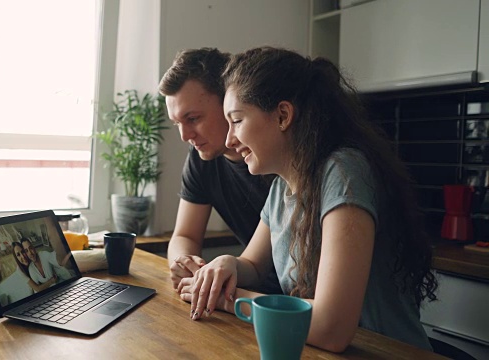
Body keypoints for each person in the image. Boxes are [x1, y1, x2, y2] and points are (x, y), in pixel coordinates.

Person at [178, 46, 438, 352]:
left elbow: (332, 327)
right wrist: (226, 264)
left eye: (236, 121)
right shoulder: (281, 187)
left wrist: (229, 299)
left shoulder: (343, 173)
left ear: (283, 115)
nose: (229, 140)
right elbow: (254, 265)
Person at [158, 47, 279, 293]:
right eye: (177, 124)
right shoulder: (201, 159)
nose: (185, 136)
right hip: (252, 291)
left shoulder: (280, 159)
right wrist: (186, 264)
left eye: (192, 118)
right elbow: (185, 236)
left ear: (230, 100)